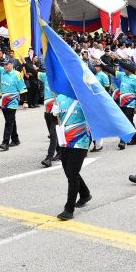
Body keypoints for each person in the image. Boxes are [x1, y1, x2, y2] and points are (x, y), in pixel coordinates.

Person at [53, 92, 93, 221]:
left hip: (80, 140)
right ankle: (85, 193)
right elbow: (58, 118)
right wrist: (55, 111)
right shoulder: (59, 97)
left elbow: (95, 116)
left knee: (72, 173)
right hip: (64, 139)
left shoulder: (84, 97)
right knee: (69, 171)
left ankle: (69, 209)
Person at [0, 59, 26, 150]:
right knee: (11, 120)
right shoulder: (2, 71)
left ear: (12, 64)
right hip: (4, 100)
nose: (5, 66)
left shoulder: (17, 74)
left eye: (7, 64)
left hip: (13, 100)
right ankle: (15, 139)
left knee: (9, 122)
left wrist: (25, 102)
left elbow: (23, 88)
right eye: (4, 65)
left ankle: (5, 143)